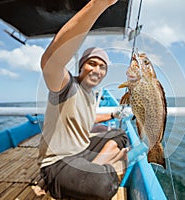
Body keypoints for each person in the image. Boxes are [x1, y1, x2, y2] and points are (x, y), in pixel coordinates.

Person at [37, 0, 129, 199]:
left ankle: (97, 167)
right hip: (58, 161)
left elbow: (87, 120)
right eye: (92, 63)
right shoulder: (66, 86)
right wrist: (97, 4)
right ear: (81, 67)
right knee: (103, 185)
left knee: (120, 135)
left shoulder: (91, 94)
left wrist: (114, 113)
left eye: (102, 66)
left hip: (81, 149)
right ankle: (105, 168)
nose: (97, 69)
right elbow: (50, 63)